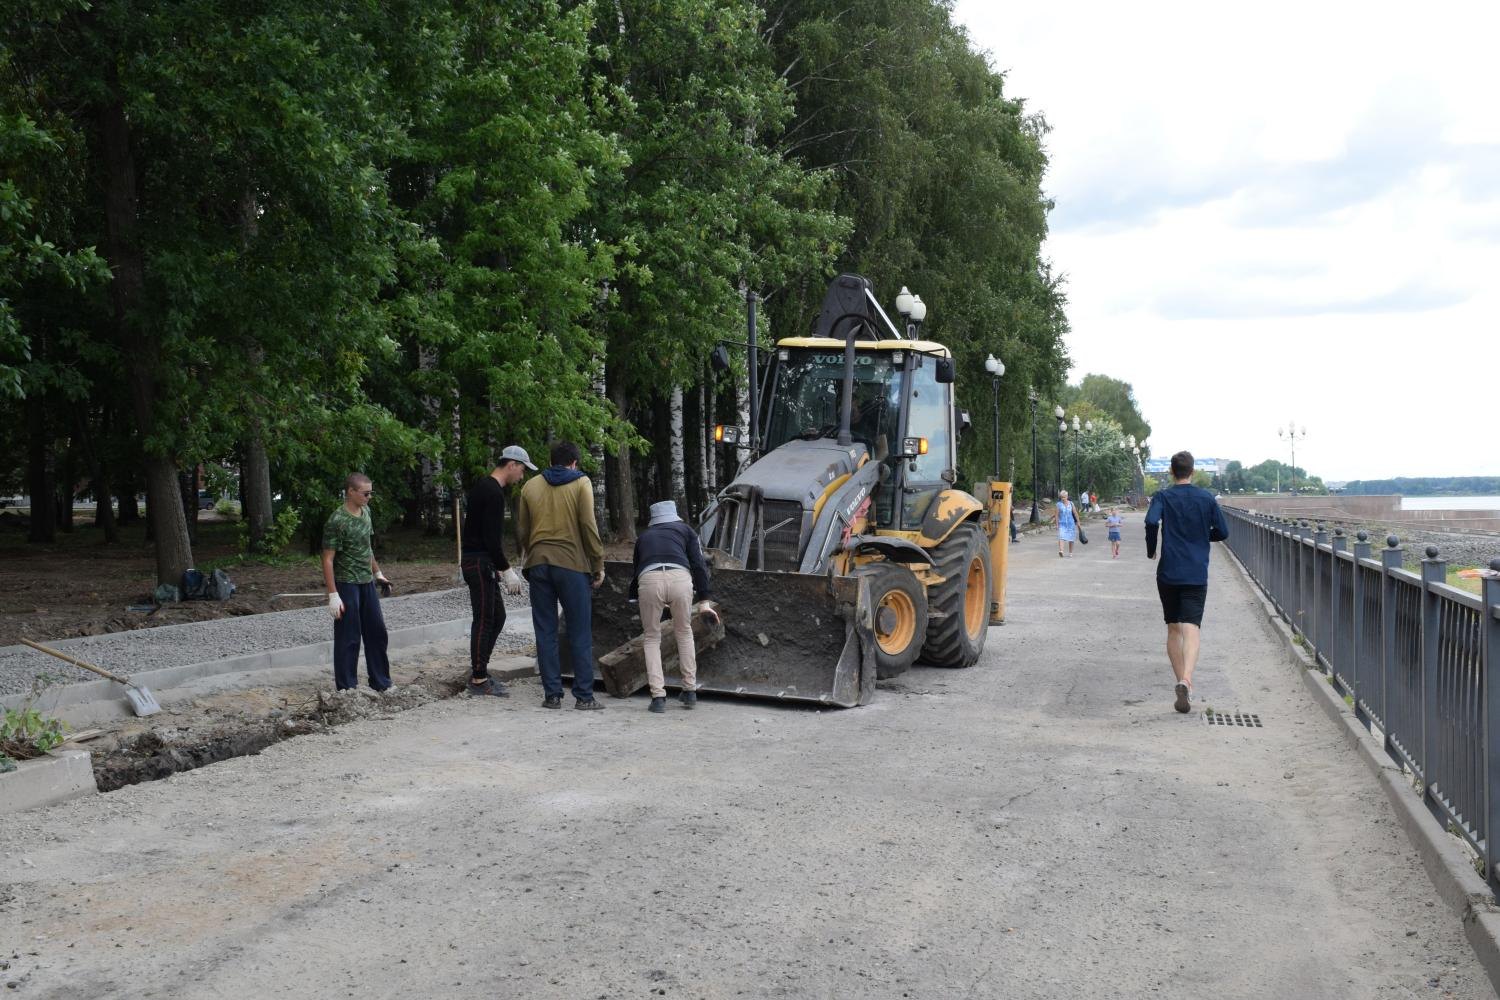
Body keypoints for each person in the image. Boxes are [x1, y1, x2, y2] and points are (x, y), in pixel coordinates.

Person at [515, 441, 606, 710]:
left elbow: (521, 530)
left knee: (545, 631)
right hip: (572, 566)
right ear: (574, 463)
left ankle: (552, 695)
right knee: (579, 631)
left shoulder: (530, 486)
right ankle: (584, 696)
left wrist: (533, 553)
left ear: (551, 461)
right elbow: (588, 526)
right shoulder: (581, 484)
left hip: (539, 565)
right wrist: (597, 562)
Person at [1146, 451, 1230, 713]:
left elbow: (1150, 520)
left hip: (1169, 571)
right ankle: (1187, 680)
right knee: (1191, 626)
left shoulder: (1163, 496)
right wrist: (1203, 538)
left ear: (1172, 472)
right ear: (1192, 472)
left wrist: (1152, 549)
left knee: (1173, 628)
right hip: (1195, 572)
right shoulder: (1206, 498)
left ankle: (1181, 681)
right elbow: (1223, 531)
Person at [460, 445, 537, 697]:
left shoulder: (485, 487)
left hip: (480, 561)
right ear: (511, 464)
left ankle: (480, 669)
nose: (521, 476)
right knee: (484, 619)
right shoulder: (492, 492)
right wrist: (507, 570)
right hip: (479, 562)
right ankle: (479, 678)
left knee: (498, 617)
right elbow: (491, 539)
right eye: (522, 470)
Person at [630, 500, 715, 714]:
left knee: (651, 637)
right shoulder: (686, 531)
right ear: (675, 516)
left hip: (649, 580)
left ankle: (658, 697)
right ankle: (689, 691)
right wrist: (704, 598)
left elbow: (636, 568)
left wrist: (633, 597)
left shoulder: (644, 537)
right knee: (684, 632)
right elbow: (698, 564)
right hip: (680, 578)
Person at [321, 473, 392, 692]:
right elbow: (327, 559)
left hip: (366, 582)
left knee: (377, 632)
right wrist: (333, 595)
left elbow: (366, 547)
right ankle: (347, 688)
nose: (369, 497)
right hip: (347, 584)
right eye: (366, 493)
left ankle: (381, 682)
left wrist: (378, 573)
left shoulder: (366, 512)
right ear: (351, 492)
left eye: (371, 493)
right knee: (349, 637)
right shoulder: (337, 521)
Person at [1055, 489, 1078, 557]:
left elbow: (1075, 513)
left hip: (1071, 524)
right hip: (1062, 524)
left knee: (1071, 538)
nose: (1063, 498)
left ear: (1067, 496)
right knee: (1061, 536)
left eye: (1064, 497)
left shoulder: (1071, 503)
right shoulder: (1058, 504)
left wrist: (1078, 522)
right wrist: (1057, 524)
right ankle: (1061, 551)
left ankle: (1070, 553)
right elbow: (1056, 515)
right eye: (1061, 497)